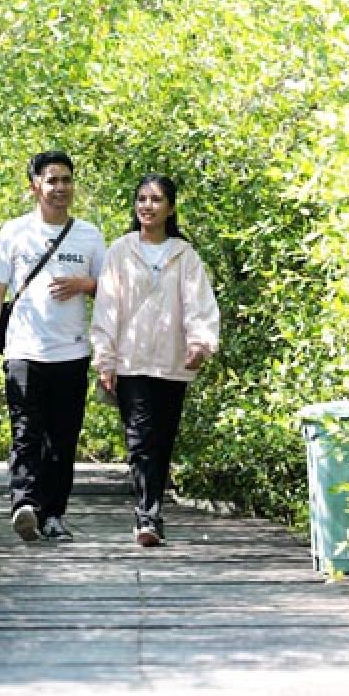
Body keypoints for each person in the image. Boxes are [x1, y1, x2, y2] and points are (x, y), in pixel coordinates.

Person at [0, 151, 108, 542]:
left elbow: (112, 291)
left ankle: (53, 515)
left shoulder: (89, 236)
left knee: (63, 439)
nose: (60, 188)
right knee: (26, 432)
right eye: (52, 180)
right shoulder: (14, 233)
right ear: (35, 186)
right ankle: (25, 505)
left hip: (72, 352)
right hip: (24, 351)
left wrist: (85, 285)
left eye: (66, 180)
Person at [91, 174, 220, 547]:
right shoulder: (120, 251)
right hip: (131, 362)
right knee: (140, 438)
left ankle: (153, 508)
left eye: (156, 200)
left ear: (170, 208)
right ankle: (147, 514)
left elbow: (199, 304)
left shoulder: (184, 255)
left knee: (162, 439)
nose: (147, 206)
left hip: (172, 360)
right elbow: (107, 308)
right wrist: (105, 360)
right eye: (142, 199)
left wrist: (200, 343)